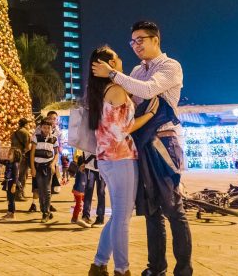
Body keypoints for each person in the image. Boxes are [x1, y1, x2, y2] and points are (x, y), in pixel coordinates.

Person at [93, 22, 192, 276]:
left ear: (155, 40)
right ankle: (156, 268)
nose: (136, 46)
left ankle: (183, 269)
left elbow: (147, 90)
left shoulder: (170, 67)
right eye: (132, 42)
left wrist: (113, 74)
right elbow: (130, 101)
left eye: (140, 40)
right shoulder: (137, 70)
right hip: (140, 144)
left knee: (172, 206)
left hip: (162, 142)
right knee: (151, 210)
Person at [87, 46, 155, 276]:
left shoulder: (99, 91)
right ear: (110, 65)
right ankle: (122, 269)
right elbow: (123, 129)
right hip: (120, 158)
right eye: (116, 56)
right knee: (122, 218)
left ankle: (98, 264)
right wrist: (151, 115)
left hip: (107, 159)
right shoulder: (115, 90)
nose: (121, 58)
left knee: (118, 215)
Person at [31, 119, 58, 223]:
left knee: (47, 191)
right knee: (40, 190)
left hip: (48, 167)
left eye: (48, 128)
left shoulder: (54, 139)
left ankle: (45, 213)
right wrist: (33, 168)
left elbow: (56, 154)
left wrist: (53, 164)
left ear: (51, 128)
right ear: (41, 127)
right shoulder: (36, 138)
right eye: (44, 127)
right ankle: (45, 211)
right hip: (38, 167)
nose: (46, 130)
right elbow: (32, 154)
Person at [80, 149, 106, 228]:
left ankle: (100, 218)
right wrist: (84, 162)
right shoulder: (88, 137)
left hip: (102, 168)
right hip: (90, 167)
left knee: (101, 193)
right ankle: (85, 217)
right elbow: (84, 149)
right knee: (88, 191)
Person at [0, 147, 22, 220]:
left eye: (10, 153)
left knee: (11, 199)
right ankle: (9, 212)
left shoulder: (15, 164)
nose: (8, 154)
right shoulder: (8, 162)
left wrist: (14, 185)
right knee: (9, 199)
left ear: (15, 156)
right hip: (8, 182)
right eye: (8, 153)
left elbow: (16, 176)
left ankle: (12, 214)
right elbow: (1, 161)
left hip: (12, 183)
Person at [10, 118, 32, 201]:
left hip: (14, 156)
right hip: (22, 156)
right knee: (22, 175)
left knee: (16, 174)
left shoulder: (14, 133)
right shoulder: (25, 133)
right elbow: (27, 147)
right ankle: (19, 194)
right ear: (26, 124)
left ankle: (16, 192)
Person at [71, 154, 87, 224]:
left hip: (82, 191)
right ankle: (74, 218)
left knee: (86, 202)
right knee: (78, 204)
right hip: (78, 191)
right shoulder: (79, 170)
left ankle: (85, 216)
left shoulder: (84, 171)